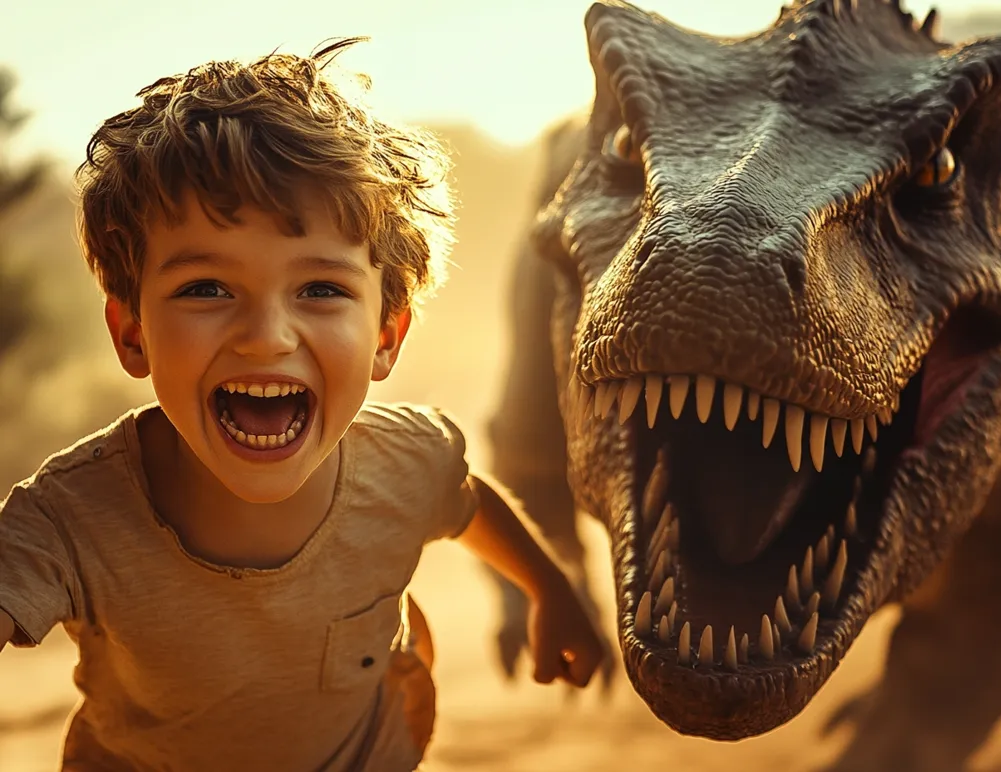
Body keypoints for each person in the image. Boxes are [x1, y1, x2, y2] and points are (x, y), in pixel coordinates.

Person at [0, 38, 605, 771]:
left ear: (387, 334)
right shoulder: (69, 518)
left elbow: (466, 501)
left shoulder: (407, 458)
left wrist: (550, 592)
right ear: (132, 333)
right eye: (206, 289)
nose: (266, 338)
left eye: (320, 289)